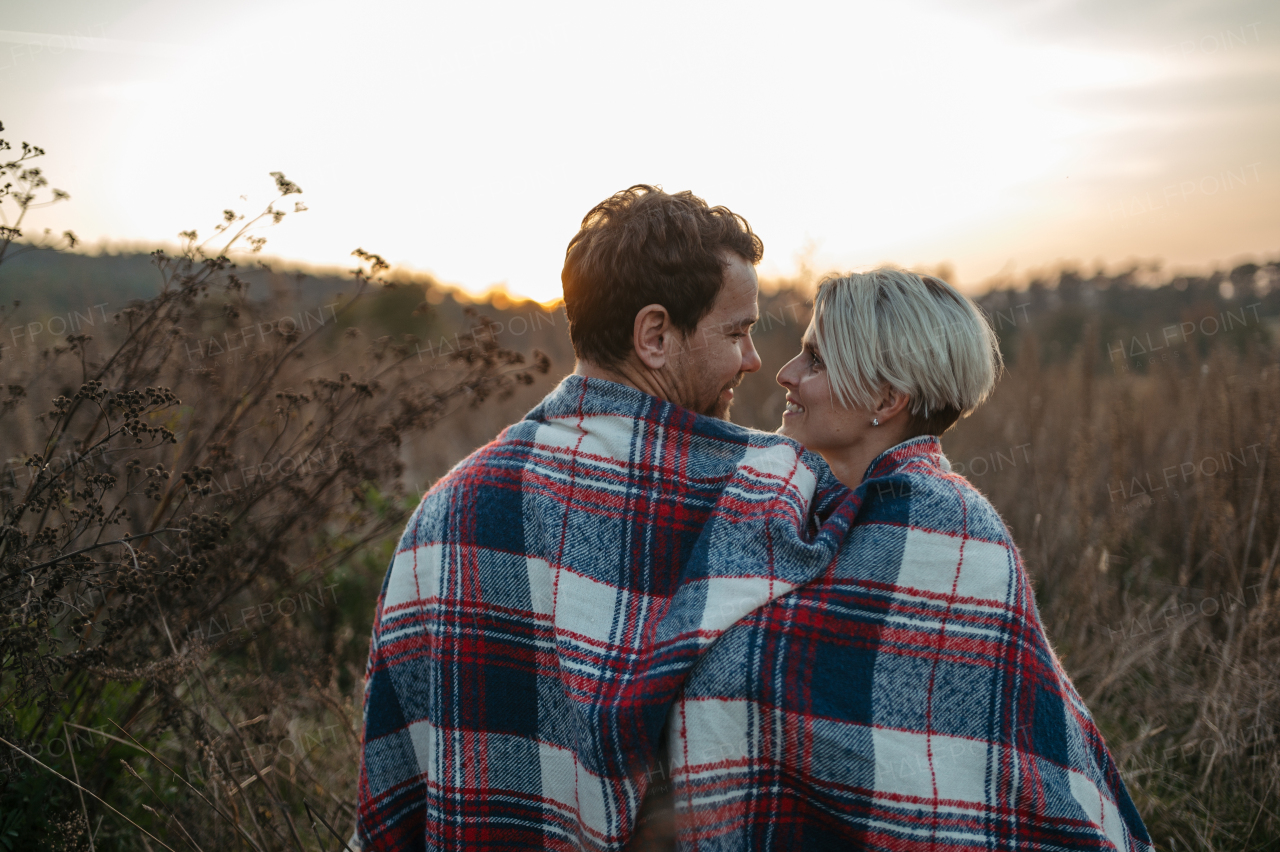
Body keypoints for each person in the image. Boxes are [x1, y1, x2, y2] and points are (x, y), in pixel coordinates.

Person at [352, 186, 858, 851]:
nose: (754, 358)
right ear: (655, 336)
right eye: (736, 332)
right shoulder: (777, 492)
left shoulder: (445, 514)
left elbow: (392, 799)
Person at [662, 269, 1153, 850]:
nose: (786, 373)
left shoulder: (946, 520)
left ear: (886, 399)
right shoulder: (808, 504)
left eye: (815, 360)